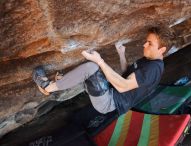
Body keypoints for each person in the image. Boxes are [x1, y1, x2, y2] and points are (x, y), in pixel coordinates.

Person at [33, 26, 174, 116]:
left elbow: (122, 86)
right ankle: (65, 81)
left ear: (162, 49)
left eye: (150, 43)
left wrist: (100, 60)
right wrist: (121, 54)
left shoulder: (154, 69)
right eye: (146, 41)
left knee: (92, 67)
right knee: (93, 70)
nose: (144, 45)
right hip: (110, 91)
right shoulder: (149, 60)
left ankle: (48, 87)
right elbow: (127, 76)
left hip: (109, 102)